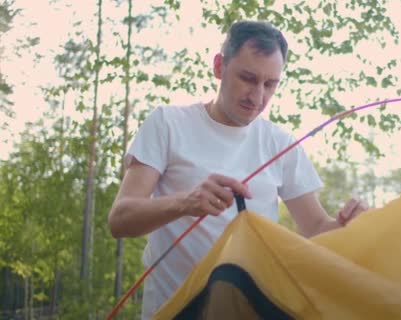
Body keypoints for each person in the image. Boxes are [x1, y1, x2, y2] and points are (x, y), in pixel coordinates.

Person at [107, 20, 369, 319]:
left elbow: (317, 229)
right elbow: (120, 220)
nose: (257, 97)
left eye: (270, 84)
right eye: (247, 78)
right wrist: (185, 203)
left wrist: (351, 225)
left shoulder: (280, 143)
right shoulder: (168, 123)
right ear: (219, 66)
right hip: (175, 311)